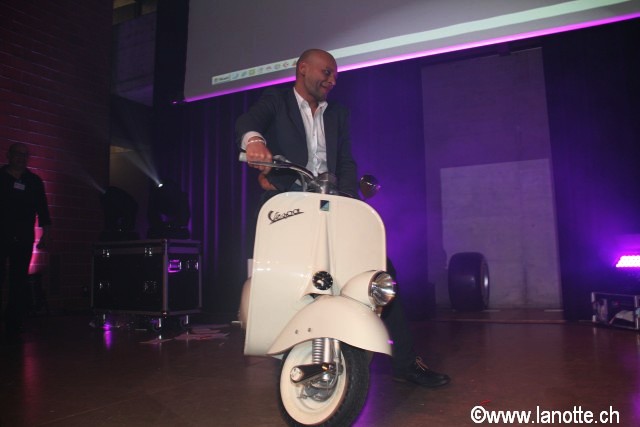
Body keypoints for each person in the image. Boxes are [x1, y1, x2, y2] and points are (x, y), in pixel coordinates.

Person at [235, 48, 450, 388]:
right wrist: (256, 143)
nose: (332, 80)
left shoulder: (338, 114)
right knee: (291, 274)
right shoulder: (276, 101)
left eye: (335, 75)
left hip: (331, 203)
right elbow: (248, 123)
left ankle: (406, 361)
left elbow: (346, 161)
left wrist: (348, 195)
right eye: (326, 72)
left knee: (380, 272)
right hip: (290, 200)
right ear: (302, 69)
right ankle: (288, 344)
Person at [0, 143, 51, 343]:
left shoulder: (34, 181)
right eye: (18, 154)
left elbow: (43, 208)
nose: (21, 158)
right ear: (9, 155)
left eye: (25, 155)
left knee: (19, 279)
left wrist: (46, 233)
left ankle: (13, 321)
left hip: (23, 236)